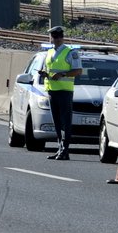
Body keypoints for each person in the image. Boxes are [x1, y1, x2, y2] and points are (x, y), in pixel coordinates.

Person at [39, 26, 82, 160]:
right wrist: (45, 74)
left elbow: (78, 71)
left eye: (58, 37)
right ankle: (60, 149)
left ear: (62, 38)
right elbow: (48, 69)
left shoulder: (71, 52)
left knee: (65, 122)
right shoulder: (50, 52)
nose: (56, 40)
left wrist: (62, 74)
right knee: (57, 122)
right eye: (53, 37)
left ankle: (65, 150)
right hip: (52, 90)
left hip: (65, 91)